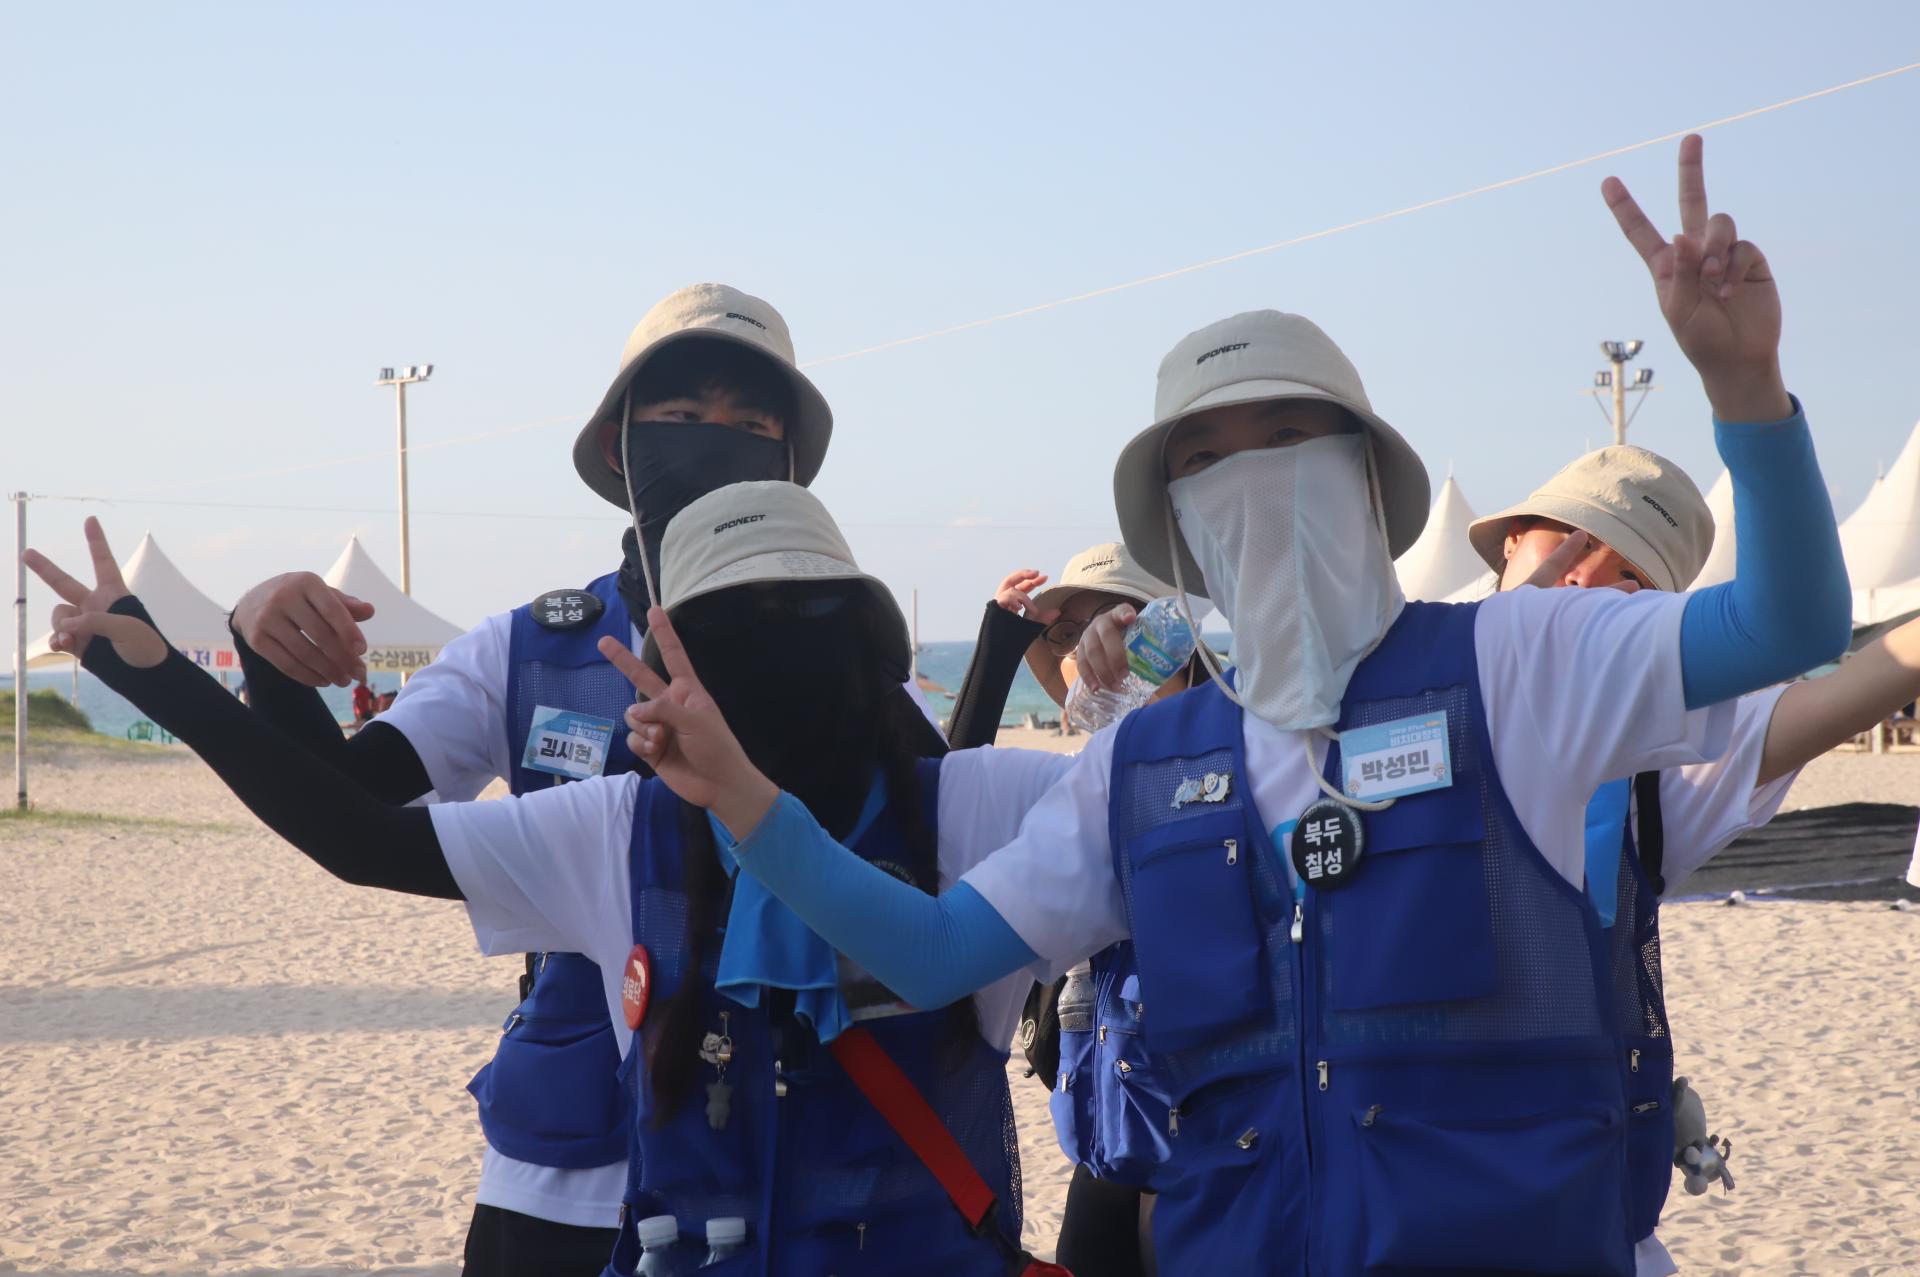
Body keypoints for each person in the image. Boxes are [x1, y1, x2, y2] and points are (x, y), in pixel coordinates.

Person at [597, 136, 1854, 1273]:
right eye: (1204, 458)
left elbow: (1784, 627)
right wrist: (745, 799)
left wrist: (1746, 390)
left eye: (1288, 433)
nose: (1250, 475)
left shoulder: (1522, 660)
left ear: (1368, 471)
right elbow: (929, 954)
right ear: (1177, 522)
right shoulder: (1139, 766)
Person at [31, 489, 1068, 1276]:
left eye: (810, 623)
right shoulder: (620, 828)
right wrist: (161, 674)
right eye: (735, 633)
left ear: (867, 652)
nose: (779, 659)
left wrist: (1101, 658)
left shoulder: (979, 803)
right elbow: (359, 833)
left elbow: (1148, 811)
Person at [218, 284, 855, 1274]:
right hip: (563, 1161)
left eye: (748, 425)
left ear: (787, 462)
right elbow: (355, 803)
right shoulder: (526, 648)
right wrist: (264, 647)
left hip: (788, 1148)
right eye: (683, 415)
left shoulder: (850, 650)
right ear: (618, 446)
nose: (712, 442)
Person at [945, 541, 1184, 1277]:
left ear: (1169, 630)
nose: (1090, 646)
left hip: (1203, 1148)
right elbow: (944, 789)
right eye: (1068, 634)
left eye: (1116, 621)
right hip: (1102, 1142)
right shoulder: (1072, 791)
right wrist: (1007, 644)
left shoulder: (1234, 753)